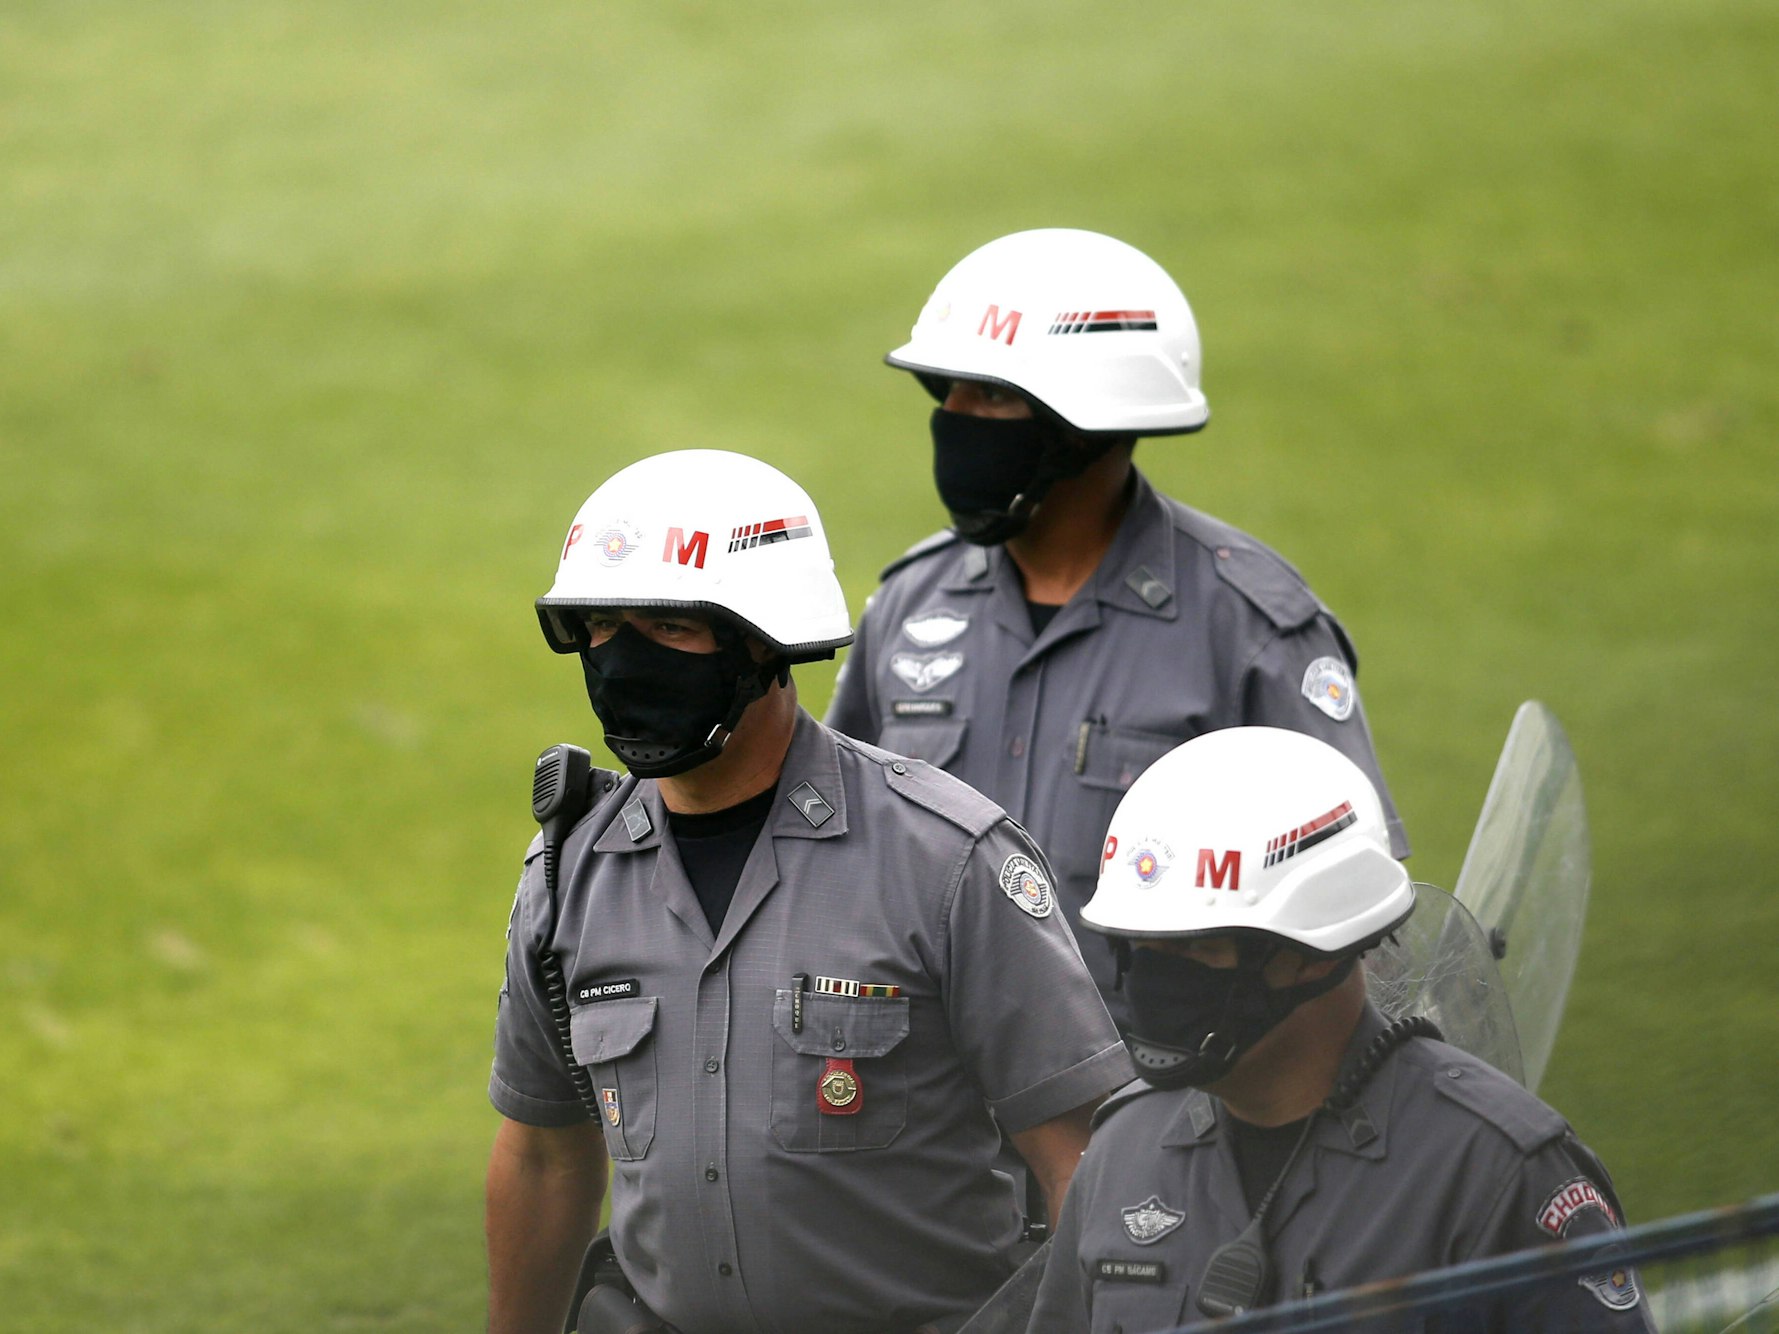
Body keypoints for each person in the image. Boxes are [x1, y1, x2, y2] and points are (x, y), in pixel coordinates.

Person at [485, 449, 1131, 1334]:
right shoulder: (569, 873)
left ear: (765, 641)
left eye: (668, 629)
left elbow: (1084, 1161)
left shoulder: (944, 856)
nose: (622, 661)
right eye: (598, 625)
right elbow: (544, 1155)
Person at [825, 228, 1407, 1027]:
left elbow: (1348, 913)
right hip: (934, 1121)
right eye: (946, 391)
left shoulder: (1249, 626)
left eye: (991, 396)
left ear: (1085, 424)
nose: (955, 420)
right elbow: (834, 852)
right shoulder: (908, 604)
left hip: (1155, 1116)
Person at [1024, 726, 1652, 1333]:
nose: (1156, 981)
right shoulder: (1120, 1151)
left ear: (1315, 952)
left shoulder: (1497, 1174)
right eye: (1142, 947)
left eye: (1198, 949)